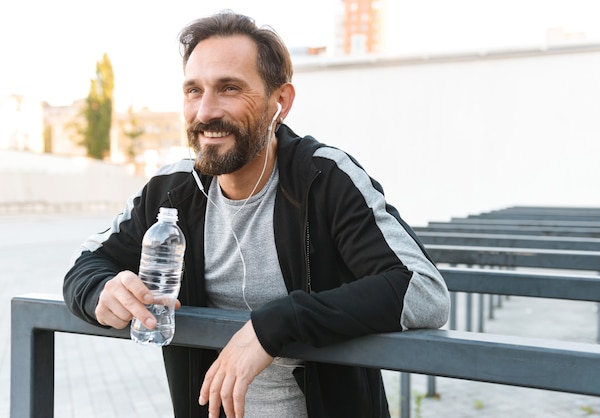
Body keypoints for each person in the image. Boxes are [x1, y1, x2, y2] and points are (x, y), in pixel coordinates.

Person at [63, 10, 450, 418]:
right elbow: (84, 267)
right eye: (194, 91)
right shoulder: (170, 190)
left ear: (279, 102)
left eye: (229, 88)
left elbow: (424, 292)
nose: (206, 112)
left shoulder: (325, 178)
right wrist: (101, 291)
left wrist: (274, 326)